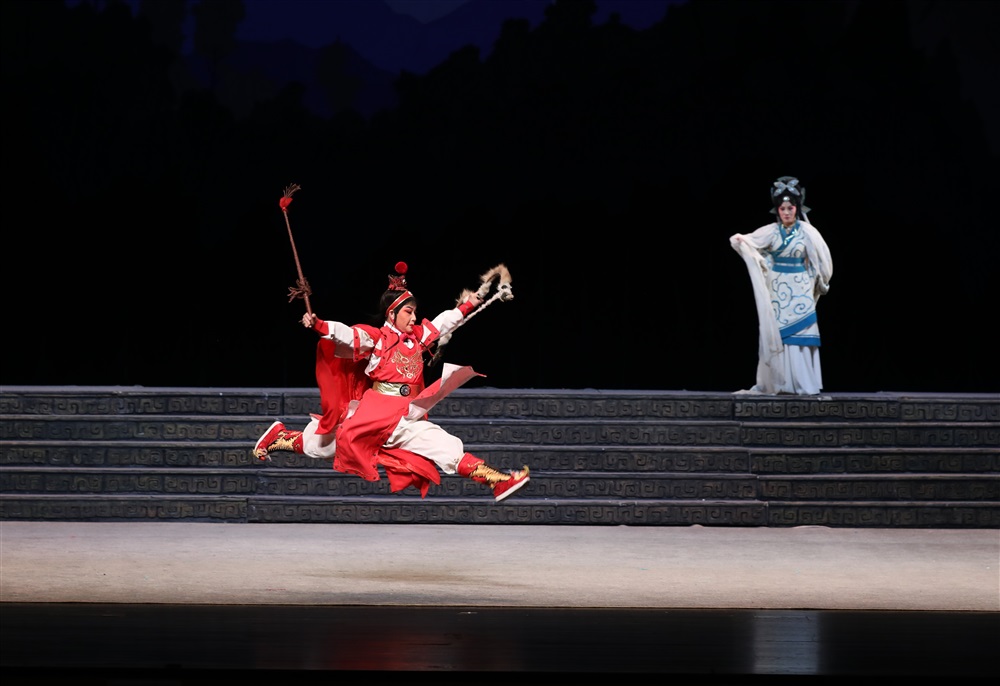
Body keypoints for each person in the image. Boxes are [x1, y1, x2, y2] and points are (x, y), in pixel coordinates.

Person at [252, 261, 531, 502]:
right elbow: (349, 335)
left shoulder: (418, 337)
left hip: (405, 416)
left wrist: (472, 301)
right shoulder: (378, 339)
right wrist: (320, 325)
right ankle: (280, 438)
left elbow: (444, 322)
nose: (414, 317)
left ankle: (498, 481)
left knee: (445, 446)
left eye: (415, 311)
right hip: (374, 415)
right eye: (408, 312)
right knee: (325, 445)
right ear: (392, 314)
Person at [729, 176, 833, 395]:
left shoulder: (808, 232)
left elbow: (822, 258)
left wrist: (821, 280)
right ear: (777, 210)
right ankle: (781, 383)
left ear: (797, 208)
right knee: (779, 336)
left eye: (790, 208)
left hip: (801, 287)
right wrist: (742, 242)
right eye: (782, 208)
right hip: (777, 288)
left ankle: (804, 384)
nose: (786, 212)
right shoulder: (771, 231)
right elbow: (751, 242)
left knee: (801, 334)